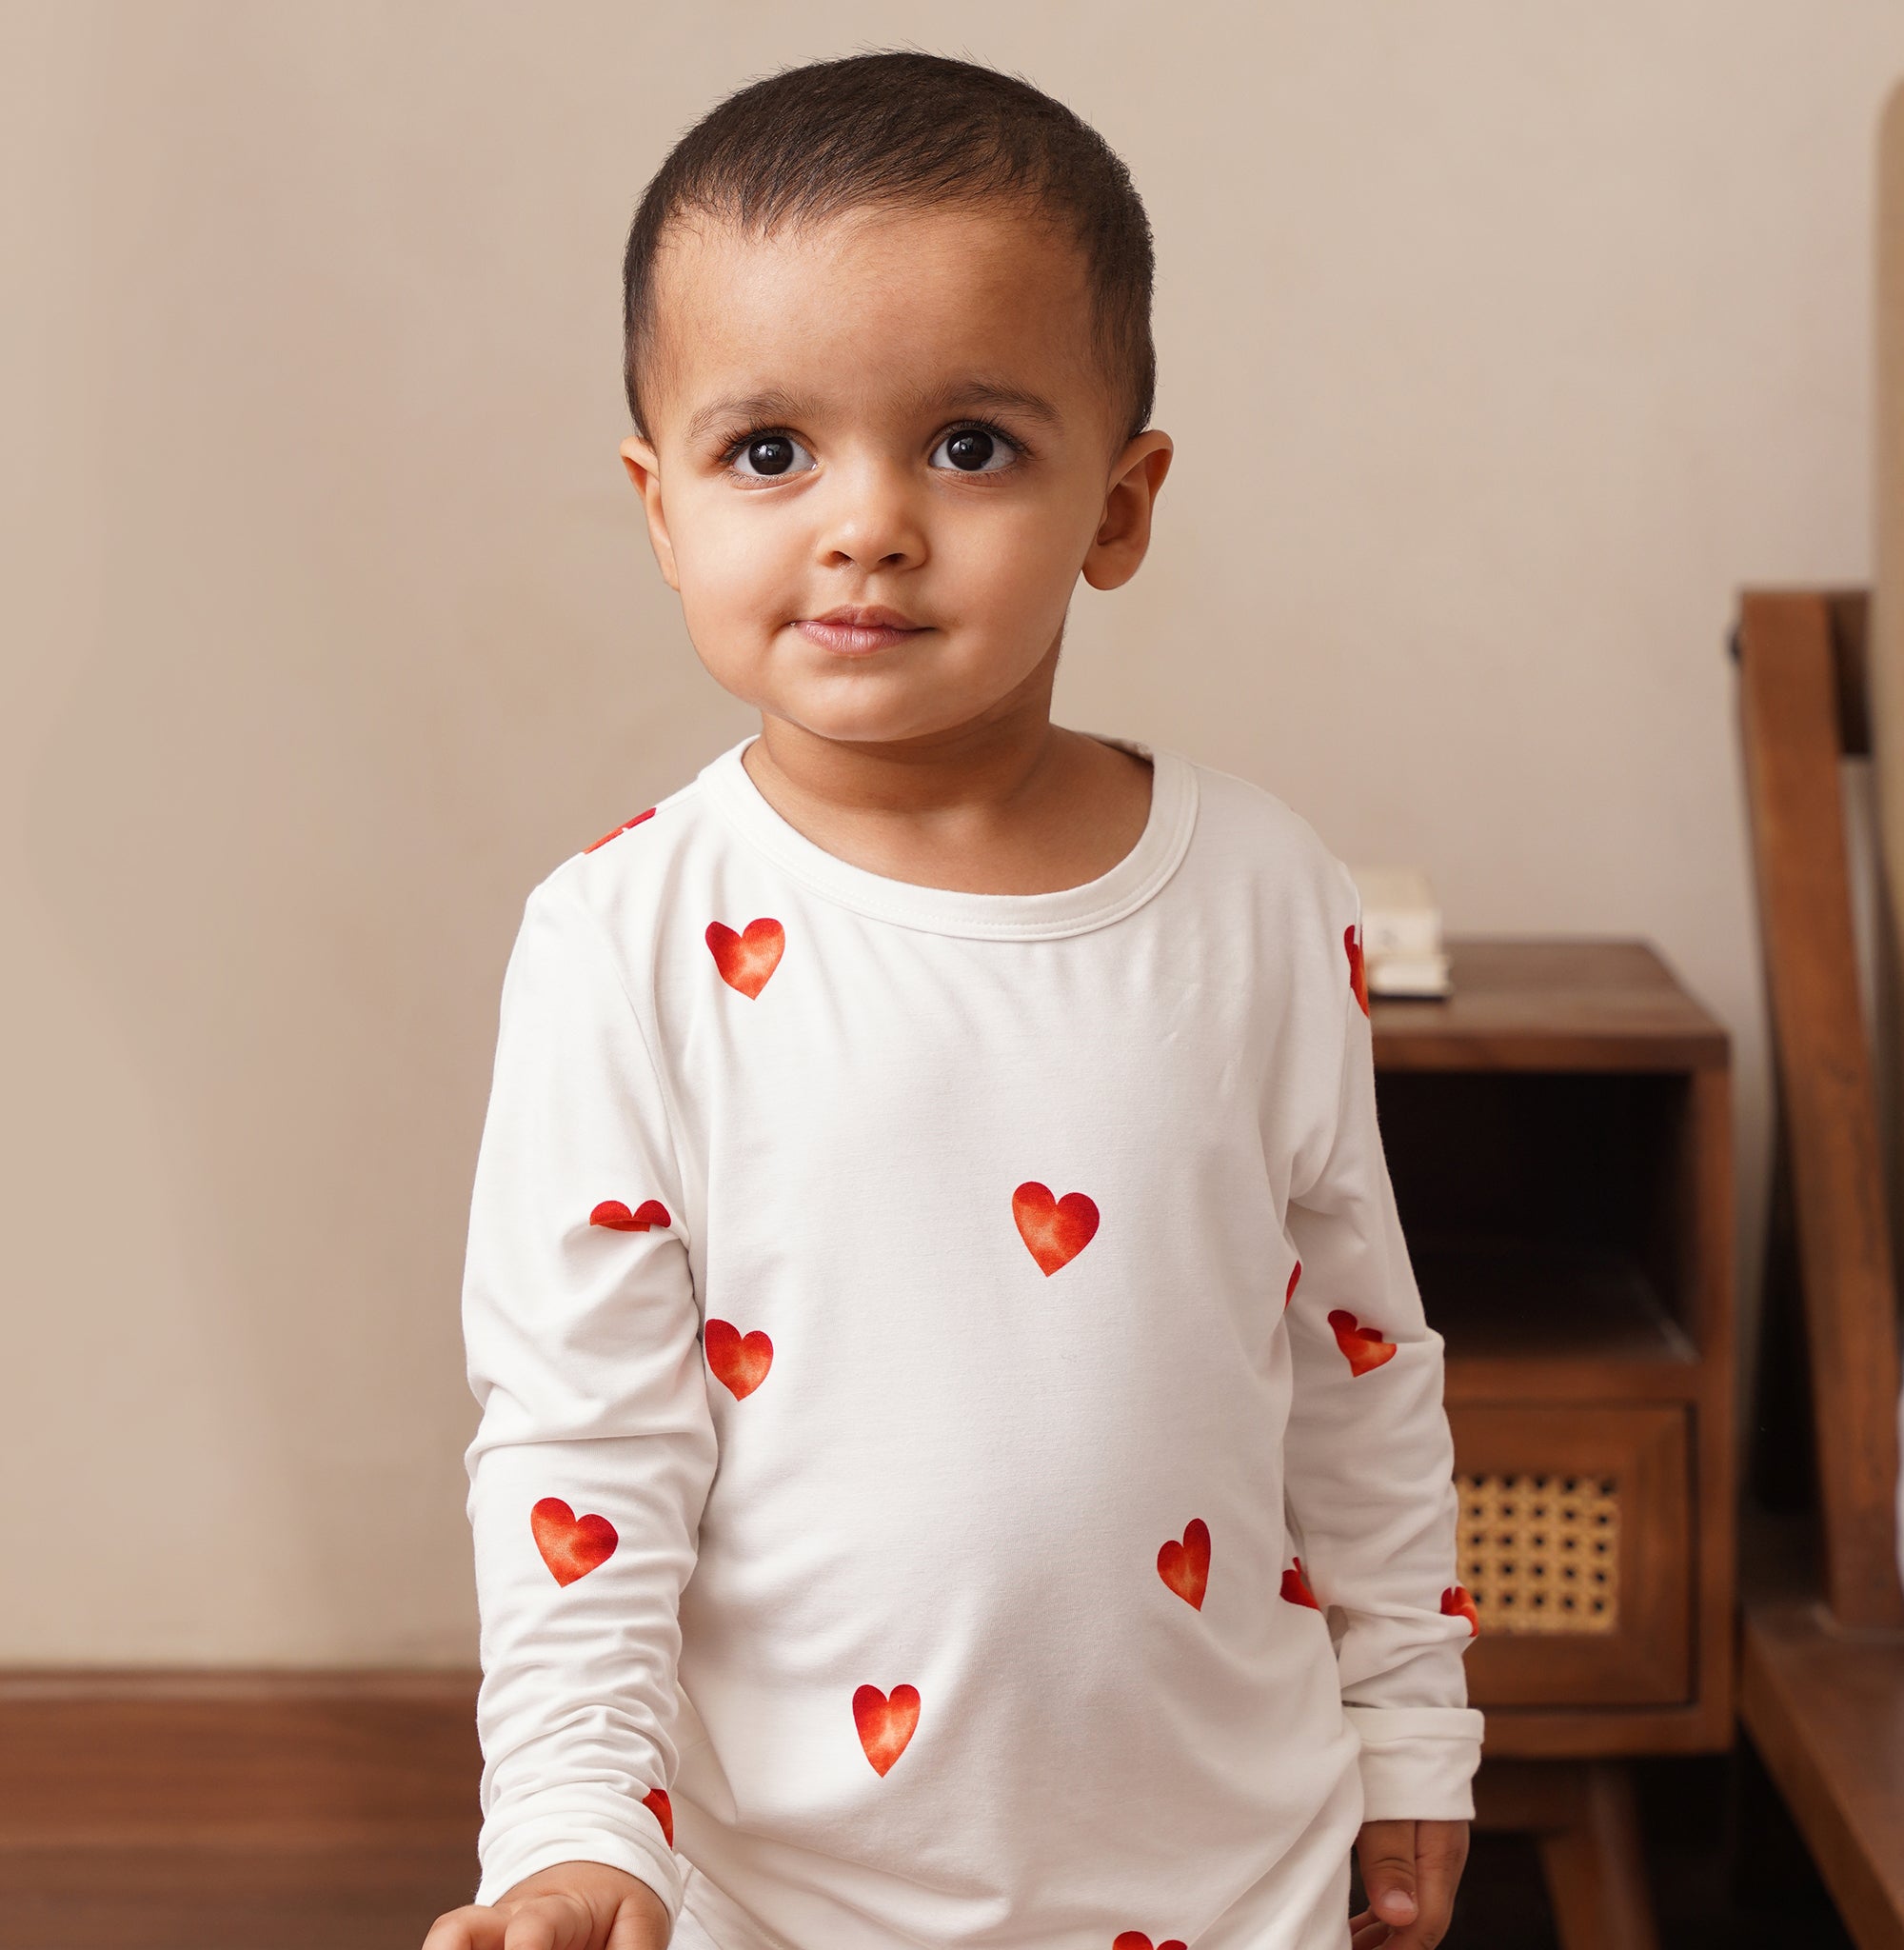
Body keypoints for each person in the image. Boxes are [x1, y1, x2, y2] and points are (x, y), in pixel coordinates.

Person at [424, 50, 1481, 1950]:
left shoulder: (1258, 894)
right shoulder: (622, 939)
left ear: (1121, 500)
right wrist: (575, 1825)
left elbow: (1357, 1364)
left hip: (1228, 1875)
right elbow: (581, 1442)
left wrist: (1413, 1731)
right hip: (783, 1893)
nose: (868, 523)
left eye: (970, 445)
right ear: (660, 508)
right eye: (771, 452)